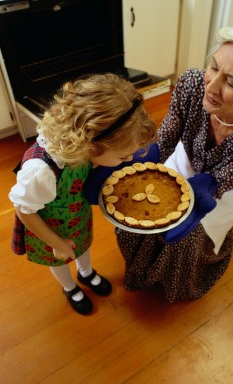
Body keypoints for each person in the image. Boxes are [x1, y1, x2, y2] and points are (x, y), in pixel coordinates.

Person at [113, 22, 233, 302]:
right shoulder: (192, 83)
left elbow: (219, 181)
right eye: (214, 67)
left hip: (229, 187)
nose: (212, 85)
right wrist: (136, 161)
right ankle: (143, 265)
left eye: (231, 82)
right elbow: (168, 136)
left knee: (187, 239)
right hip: (188, 159)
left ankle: (177, 283)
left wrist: (200, 195)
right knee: (143, 211)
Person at [8, 73, 157, 315]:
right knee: (60, 259)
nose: (128, 160)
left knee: (82, 245)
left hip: (76, 217)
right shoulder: (41, 172)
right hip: (48, 228)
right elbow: (24, 210)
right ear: (92, 144)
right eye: (123, 156)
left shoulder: (85, 147)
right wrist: (55, 243)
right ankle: (69, 287)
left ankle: (86, 273)